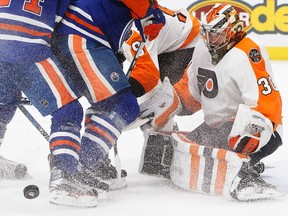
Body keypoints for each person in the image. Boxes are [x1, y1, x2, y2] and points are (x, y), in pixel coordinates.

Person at [138, 3, 284, 201]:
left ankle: (247, 173)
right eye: (207, 33)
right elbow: (191, 92)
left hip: (260, 128)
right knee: (183, 145)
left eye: (216, 34)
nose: (209, 39)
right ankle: (247, 163)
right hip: (217, 125)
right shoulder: (202, 48)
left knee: (217, 151)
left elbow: (268, 104)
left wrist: (253, 135)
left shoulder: (249, 52)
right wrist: (168, 105)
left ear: (233, 32)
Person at [50, 0, 166, 207]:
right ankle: (79, 166)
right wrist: (151, 11)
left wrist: (151, 12)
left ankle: (76, 165)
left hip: (78, 33)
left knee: (103, 104)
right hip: (82, 34)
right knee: (122, 104)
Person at [0, 0, 100, 205]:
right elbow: (61, 23)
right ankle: (64, 176)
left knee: (5, 102)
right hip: (27, 46)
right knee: (68, 109)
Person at [120, 5, 201, 177]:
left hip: (187, 43)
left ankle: (163, 152)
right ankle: (162, 144)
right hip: (170, 41)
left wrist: (123, 98)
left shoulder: (132, 36)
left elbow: (147, 75)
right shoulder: (124, 26)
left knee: (159, 100)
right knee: (158, 100)